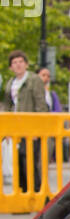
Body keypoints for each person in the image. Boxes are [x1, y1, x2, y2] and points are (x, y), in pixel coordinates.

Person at [1, 51, 47, 191]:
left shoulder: (34, 80)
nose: (18, 65)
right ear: (11, 67)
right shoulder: (10, 83)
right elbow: (8, 106)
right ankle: (23, 193)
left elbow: (41, 105)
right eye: (14, 63)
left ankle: (36, 192)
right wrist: (7, 129)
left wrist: (38, 129)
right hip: (16, 128)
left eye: (21, 62)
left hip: (31, 127)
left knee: (30, 161)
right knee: (18, 161)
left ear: (26, 64)